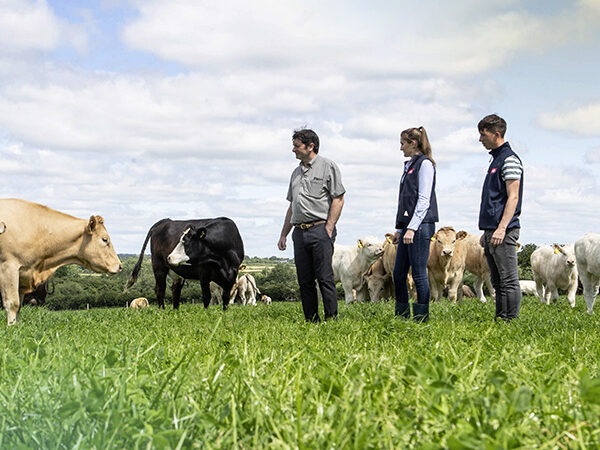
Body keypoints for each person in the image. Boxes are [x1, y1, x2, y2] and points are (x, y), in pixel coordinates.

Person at [278, 129, 345, 322]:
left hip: (320, 229)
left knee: (325, 278)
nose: (293, 150)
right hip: (299, 232)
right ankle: (311, 320)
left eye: (297, 146)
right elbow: (292, 205)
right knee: (304, 280)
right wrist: (284, 234)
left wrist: (329, 227)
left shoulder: (327, 166)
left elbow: (338, 198)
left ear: (310, 146)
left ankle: (331, 320)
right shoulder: (295, 173)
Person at [477, 114, 523, 320]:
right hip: (491, 230)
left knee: (508, 279)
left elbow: (513, 196)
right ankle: (500, 319)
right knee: (497, 281)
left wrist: (502, 228)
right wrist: (487, 230)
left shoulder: (509, 159)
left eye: (483, 134)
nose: (480, 139)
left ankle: (510, 322)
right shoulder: (495, 159)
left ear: (496, 134)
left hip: (503, 230)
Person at [392, 126, 438, 322]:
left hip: (420, 226)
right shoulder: (409, 166)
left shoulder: (425, 164)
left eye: (403, 143)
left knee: (419, 273)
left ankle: (421, 319)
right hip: (407, 227)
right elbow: (405, 200)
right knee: (398, 273)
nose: (400, 147)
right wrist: (400, 228)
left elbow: (423, 199)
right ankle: (402, 317)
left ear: (413, 143)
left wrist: (412, 227)